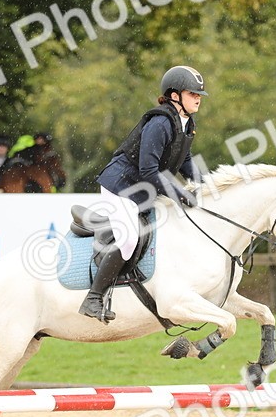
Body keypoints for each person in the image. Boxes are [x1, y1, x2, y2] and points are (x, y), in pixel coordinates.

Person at [80, 65, 206, 323]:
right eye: (192, 93)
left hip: (143, 188)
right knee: (128, 239)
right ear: (174, 96)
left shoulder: (187, 123)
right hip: (121, 186)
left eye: (199, 94)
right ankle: (93, 298)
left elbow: (185, 160)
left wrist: (207, 185)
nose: (198, 98)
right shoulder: (160, 123)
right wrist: (178, 192)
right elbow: (148, 169)